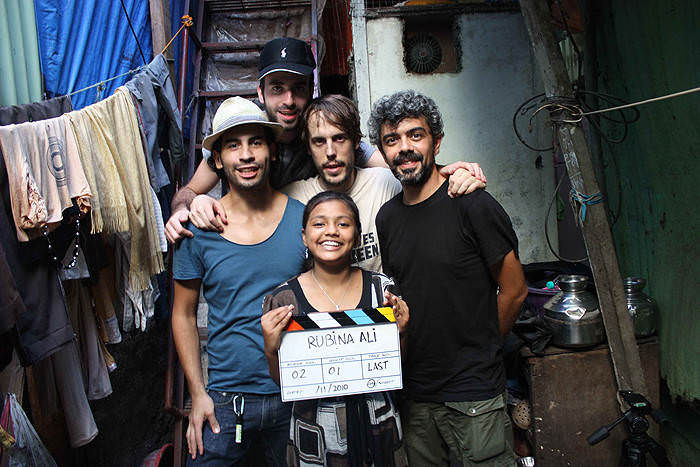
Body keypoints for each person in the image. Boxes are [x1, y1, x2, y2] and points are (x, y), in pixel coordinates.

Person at [165, 37, 486, 244]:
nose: (289, 100)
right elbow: (190, 191)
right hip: (245, 238)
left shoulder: (323, 136)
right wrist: (190, 206)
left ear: (311, 90)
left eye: (298, 88)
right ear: (260, 92)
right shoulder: (246, 140)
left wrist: (445, 173)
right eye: (277, 88)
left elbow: (398, 168)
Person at [369, 90, 528, 466]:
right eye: (392, 140)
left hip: (474, 393)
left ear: (436, 142)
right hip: (416, 393)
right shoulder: (387, 219)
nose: (404, 148)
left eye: (415, 135)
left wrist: (483, 350)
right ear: (383, 151)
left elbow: (516, 291)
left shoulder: (473, 203)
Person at [183, 94, 486, 272]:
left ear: (356, 142)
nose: (330, 152)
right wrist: (197, 200)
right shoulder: (292, 199)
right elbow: (249, 209)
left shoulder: (384, 182)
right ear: (307, 146)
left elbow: (422, 180)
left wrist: (457, 173)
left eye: (339, 139)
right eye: (319, 141)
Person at [171, 96, 305, 464]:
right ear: (217, 160)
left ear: (272, 152)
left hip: (295, 392)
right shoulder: (196, 230)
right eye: (233, 145)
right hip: (225, 401)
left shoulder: (303, 220)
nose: (245, 155)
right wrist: (198, 393)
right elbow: (182, 315)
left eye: (255, 142)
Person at [261, 191, 410, 466]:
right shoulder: (284, 300)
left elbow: (396, 366)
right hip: (315, 428)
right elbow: (285, 382)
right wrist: (271, 349)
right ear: (304, 236)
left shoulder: (382, 290)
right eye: (319, 224)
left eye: (343, 224)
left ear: (356, 235)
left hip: (378, 420)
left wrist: (401, 332)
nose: (332, 231)